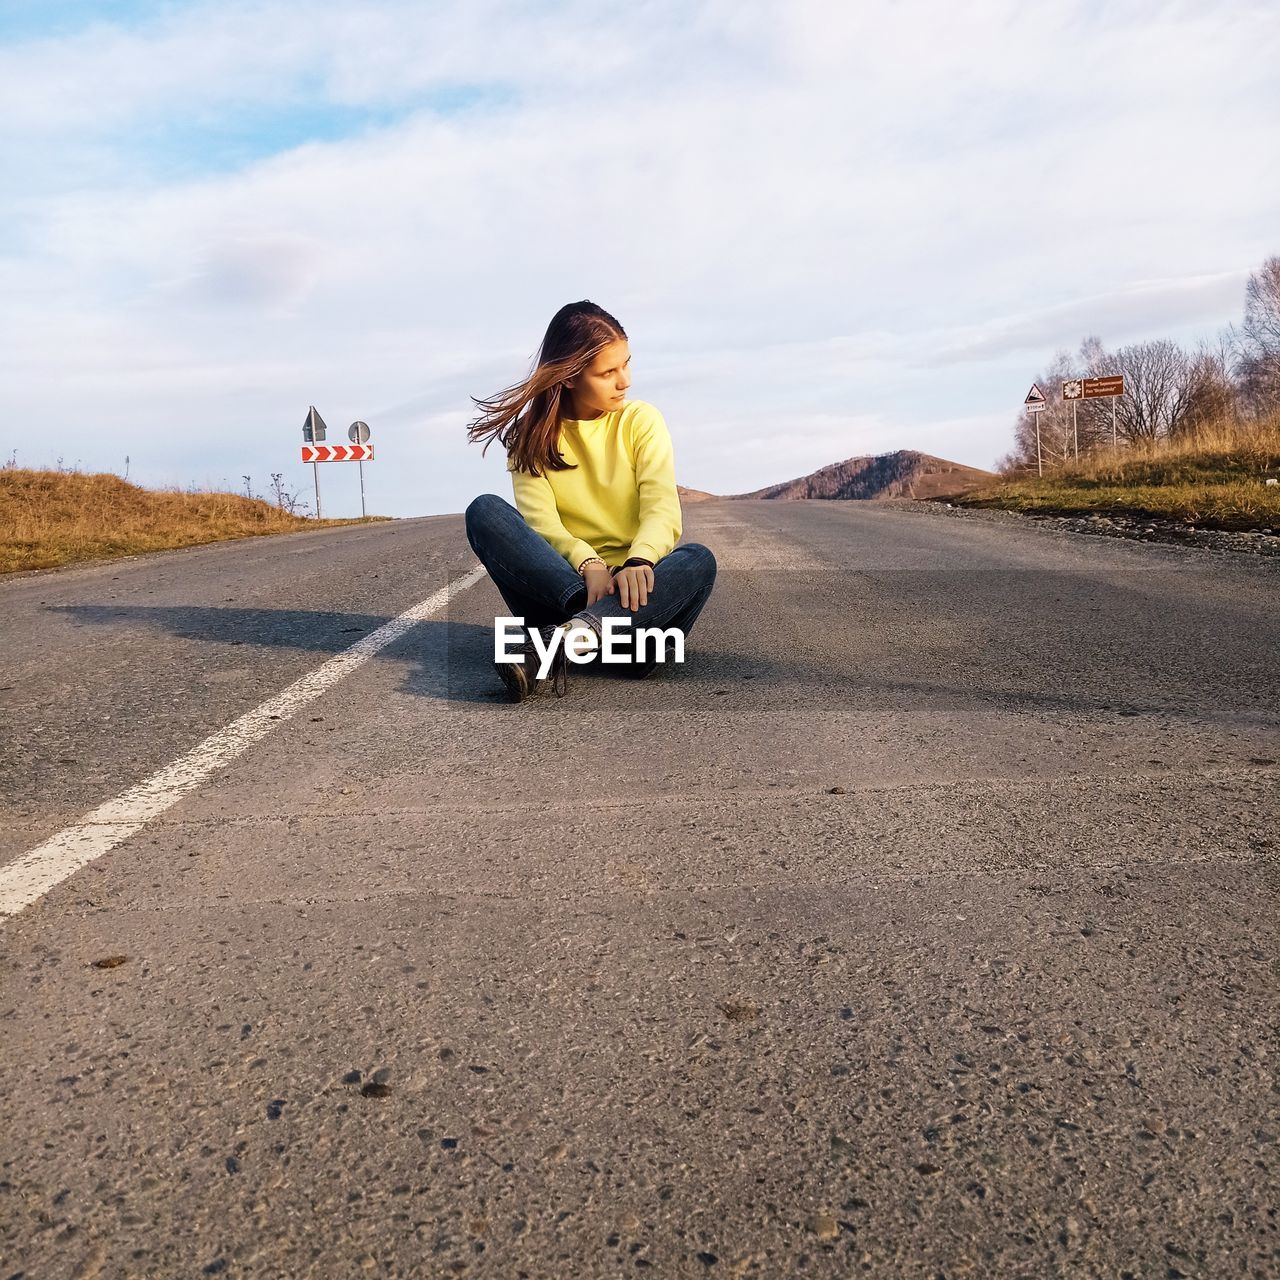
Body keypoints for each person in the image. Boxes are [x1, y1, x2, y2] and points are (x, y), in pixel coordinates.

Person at [464, 300, 717, 701]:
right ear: (568, 377)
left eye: (626, 365)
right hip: (562, 594)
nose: (625, 381)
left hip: (634, 608)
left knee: (698, 559)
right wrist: (589, 564)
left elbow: (660, 503)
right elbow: (541, 523)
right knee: (485, 512)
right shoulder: (530, 439)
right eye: (608, 372)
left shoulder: (641, 421)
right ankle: (577, 627)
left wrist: (639, 560)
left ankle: (568, 640)